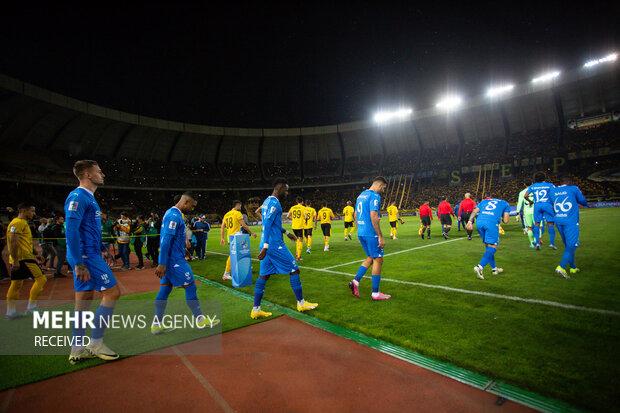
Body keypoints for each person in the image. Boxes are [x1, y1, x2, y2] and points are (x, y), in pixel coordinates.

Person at [65, 160, 121, 363]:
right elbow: (70, 230)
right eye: (99, 171)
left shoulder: (87, 197)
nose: (102, 174)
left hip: (88, 254)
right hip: (86, 256)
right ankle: (96, 343)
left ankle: (77, 349)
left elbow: (84, 230)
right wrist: (79, 262)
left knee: (83, 301)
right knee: (113, 293)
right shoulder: (79, 196)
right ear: (88, 174)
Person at [152, 192, 219, 334]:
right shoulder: (174, 216)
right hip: (174, 261)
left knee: (165, 289)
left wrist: (185, 251)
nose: (192, 209)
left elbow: (173, 239)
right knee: (190, 287)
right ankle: (200, 320)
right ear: (186, 202)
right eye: (192, 206)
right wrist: (162, 263)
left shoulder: (171, 213)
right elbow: (165, 241)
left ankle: (156, 324)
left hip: (173, 258)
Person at [252, 178, 318, 319]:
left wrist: (286, 233)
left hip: (269, 244)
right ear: (280, 188)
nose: (287, 193)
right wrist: (265, 246)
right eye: (286, 190)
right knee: (294, 269)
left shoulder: (266, 202)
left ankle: (256, 309)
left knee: (264, 275)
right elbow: (267, 225)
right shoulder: (275, 203)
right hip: (274, 245)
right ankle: (301, 303)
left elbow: (271, 224)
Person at [348, 176, 391, 301]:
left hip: (361, 232)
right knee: (378, 259)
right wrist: (381, 236)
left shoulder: (360, 195)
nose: (383, 190)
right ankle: (375, 293)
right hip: (370, 233)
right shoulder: (375, 196)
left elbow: (355, 214)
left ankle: (355, 282)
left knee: (371, 258)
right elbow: (373, 215)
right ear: (379, 184)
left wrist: (360, 228)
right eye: (383, 187)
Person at [5, 203, 47, 319]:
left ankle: (11, 312)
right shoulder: (18, 222)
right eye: (32, 211)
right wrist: (16, 260)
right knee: (41, 279)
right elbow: (13, 242)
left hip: (23, 257)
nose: (34, 213)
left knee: (17, 284)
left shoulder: (22, 223)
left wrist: (35, 253)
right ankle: (31, 308)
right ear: (23, 210)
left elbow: (24, 241)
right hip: (23, 258)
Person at [549, 176, 588, 279]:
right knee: (573, 245)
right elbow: (583, 201)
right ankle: (561, 266)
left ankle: (573, 267)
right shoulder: (573, 188)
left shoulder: (552, 190)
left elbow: (552, 203)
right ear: (569, 182)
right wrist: (582, 203)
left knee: (568, 246)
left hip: (558, 220)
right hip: (570, 221)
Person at [467, 194, 511, 280]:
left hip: (479, 222)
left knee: (488, 247)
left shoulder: (484, 201)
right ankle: (479, 267)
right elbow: (506, 221)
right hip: (491, 223)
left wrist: (469, 221)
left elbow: (475, 211)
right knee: (493, 246)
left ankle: (494, 269)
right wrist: (500, 216)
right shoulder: (505, 203)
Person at [221, 200, 257, 281]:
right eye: (240, 206)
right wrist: (252, 232)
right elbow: (244, 225)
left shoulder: (226, 214)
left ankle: (246, 267)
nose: (240, 207)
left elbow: (222, 227)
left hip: (230, 237)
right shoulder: (237, 213)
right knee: (235, 253)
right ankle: (226, 273)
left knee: (242, 251)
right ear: (237, 205)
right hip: (236, 237)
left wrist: (222, 238)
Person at [525, 172, 557, 250]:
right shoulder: (550, 185)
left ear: (535, 179)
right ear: (544, 178)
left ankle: (537, 243)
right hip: (547, 205)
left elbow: (525, 196)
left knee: (536, 224)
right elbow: (554, 195)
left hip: (537, 206)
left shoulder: (532, 186)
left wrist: (530, 201)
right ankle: (552, 244)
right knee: (550, 224)